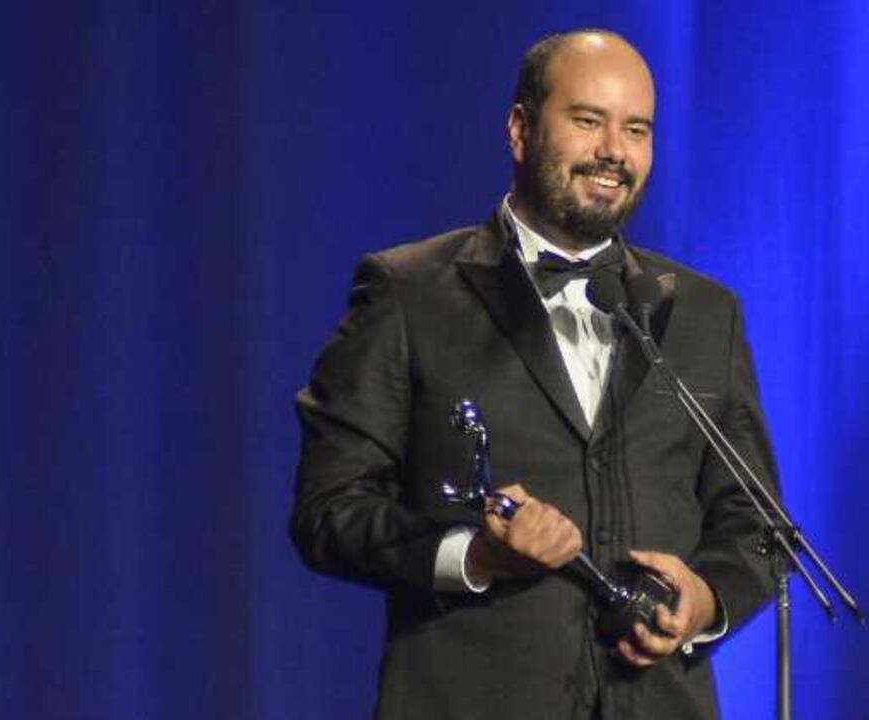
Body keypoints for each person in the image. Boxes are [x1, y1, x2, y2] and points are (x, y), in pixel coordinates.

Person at [291, 28, 779, 720]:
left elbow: (756, 523)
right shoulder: (409, 294)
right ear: (520, 130)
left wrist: (705, 599)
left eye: (636, 129)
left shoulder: (704, 313)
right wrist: (475, 557)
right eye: (588, 120)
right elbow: (329, 511)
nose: (614, 151)